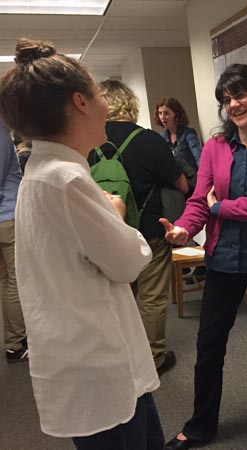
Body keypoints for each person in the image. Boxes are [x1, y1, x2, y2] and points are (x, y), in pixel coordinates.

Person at [0, 38, 165, 449]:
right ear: (81, 102)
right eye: (98, 94)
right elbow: (129, 262)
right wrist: (115, 212)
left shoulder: (42, 171)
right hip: (100, 365)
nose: (106, 105)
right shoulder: (67, 180)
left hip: (81, 356)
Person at [161, 64, 247, 450]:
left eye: (240, 95)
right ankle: (200, 426)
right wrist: (185, 228)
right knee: (208, 347)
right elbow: (198, 200)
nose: (233, 104)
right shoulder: (215, 148)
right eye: (227, 99)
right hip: (222, 261)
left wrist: (220, 208)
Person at [88, 80, 188, 376]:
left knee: (119, 296)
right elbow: (182, 185)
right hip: (150, 230)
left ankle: (122, 354)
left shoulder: (88, 142)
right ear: (130, 104)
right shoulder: (149, 140)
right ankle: (152, 357)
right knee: (152, 296)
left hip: (108, 232)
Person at [0, 118, 27, 363]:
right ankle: (17, 342)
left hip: (4, 219)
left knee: (7, 280)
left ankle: (14, 341)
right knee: (16, 280)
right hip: (7, 218)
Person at [154, 97, 202, 170]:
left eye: (166, 113)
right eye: (160, 113)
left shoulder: (188, 134)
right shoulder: (162, 137)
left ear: (176, 114)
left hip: (191, 176)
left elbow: (198, 157)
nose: (162, 117)